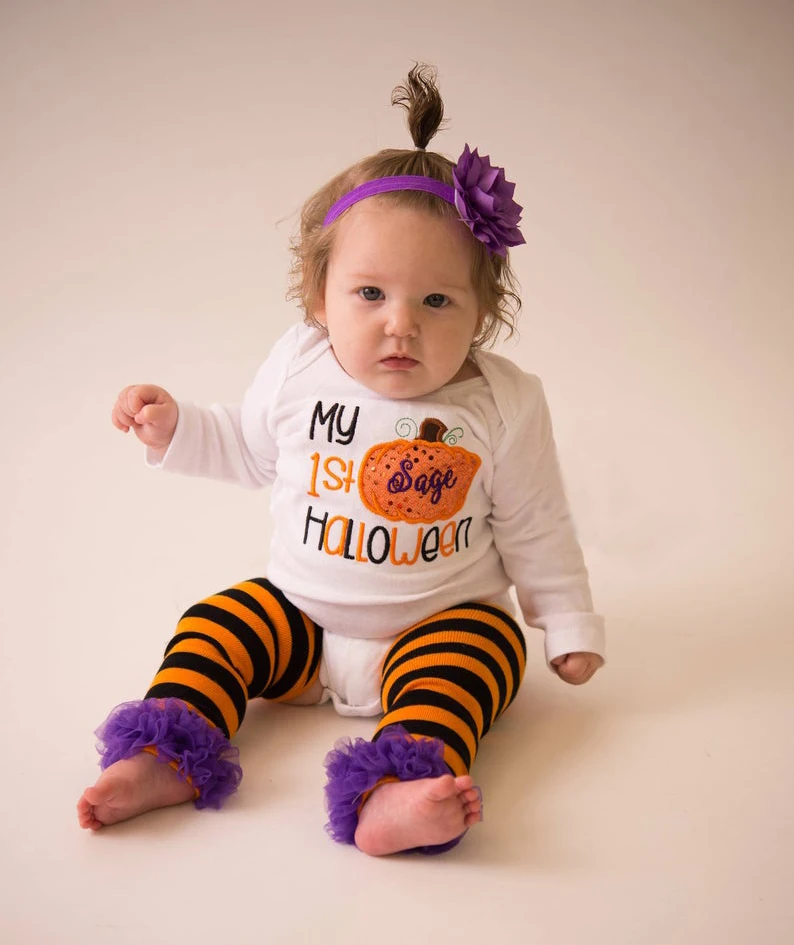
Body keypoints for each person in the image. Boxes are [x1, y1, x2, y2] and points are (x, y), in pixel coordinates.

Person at [77, 64, 605, 856]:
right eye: (370, 294)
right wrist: (174, 428)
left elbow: (537, 522)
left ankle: (399, 790)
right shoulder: (299, 366)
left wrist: (565, 620)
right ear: (320, 295)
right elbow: (247, 446)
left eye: (437, 300)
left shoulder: (502, 402)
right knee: (216, 623)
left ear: (483, 313)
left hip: (435, 620)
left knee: (482, 653)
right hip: (302, 615)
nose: (401, 324)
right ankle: (167, 753)